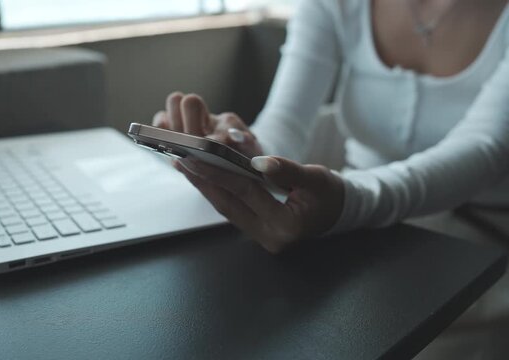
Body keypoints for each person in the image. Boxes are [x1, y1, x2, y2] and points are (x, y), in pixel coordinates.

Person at [151, 0, 509, 254]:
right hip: (362, 233)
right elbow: (286, 125)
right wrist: (243, 149)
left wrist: (353, 201)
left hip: (481, 244)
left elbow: (487, 145)